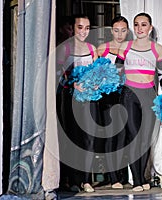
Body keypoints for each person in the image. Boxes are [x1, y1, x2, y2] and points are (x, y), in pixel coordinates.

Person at [115, 12, 162, 192]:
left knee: (145, 139)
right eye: (137, 25)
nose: (140, 28)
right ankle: (137, 181)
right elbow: (115, 71)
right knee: (133, 138)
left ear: (150, 28)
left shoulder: (158, 49)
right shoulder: (125, 46)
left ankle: (142, 177)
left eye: (144, 24)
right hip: (129, 96)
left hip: (149, 97)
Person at [56, 14, 98, 193]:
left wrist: (97, 82)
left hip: (89, 99)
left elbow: (98, 72)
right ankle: (74, 180)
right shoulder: (64, 48)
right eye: (80, 27)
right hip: (71, 98)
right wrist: (72, 84)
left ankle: (87, 180)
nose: (84, 31)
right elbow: (56, 74)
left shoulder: (92, 48)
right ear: (73, 28)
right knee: (73, 138)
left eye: (87, 28)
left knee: (89, 138)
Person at [96, 16, 130, 189]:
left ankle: (121, 174)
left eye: (123, 30)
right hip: (107, 97)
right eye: (116, 30)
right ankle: (113, 177)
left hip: (125, 95)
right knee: (111, 135)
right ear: (111, 30)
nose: (119, 34)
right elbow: (94, 73)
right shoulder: (102, 49)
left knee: (123, 136)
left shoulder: (130, 48)